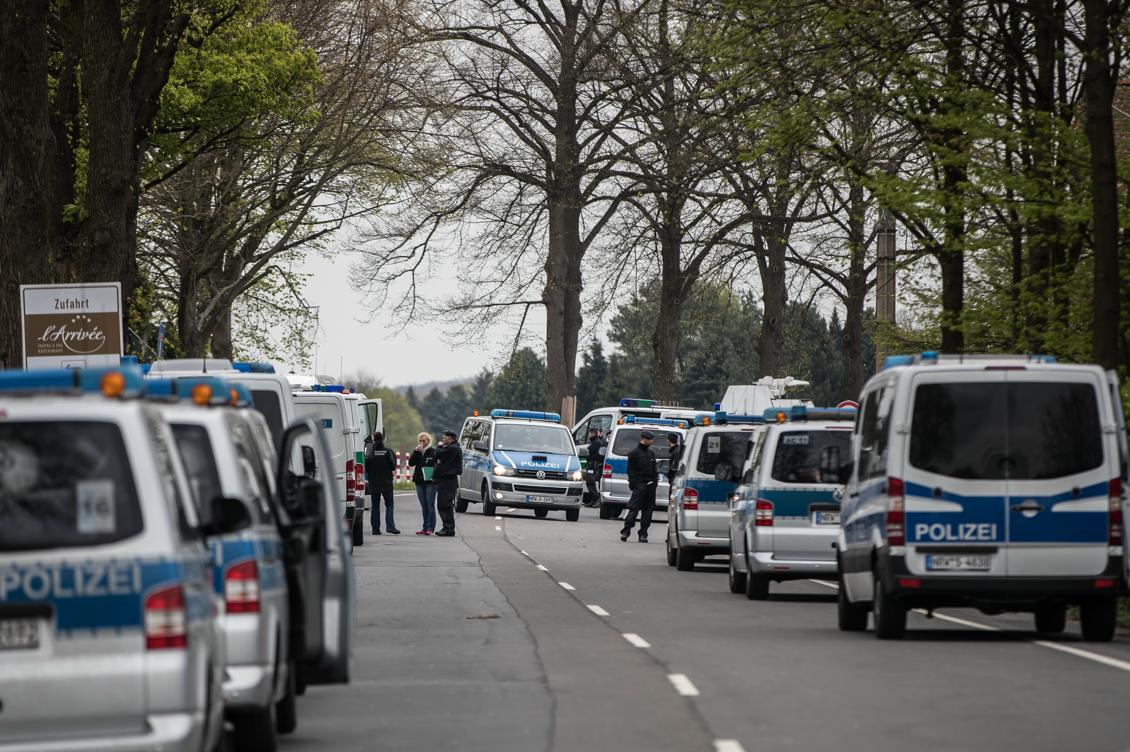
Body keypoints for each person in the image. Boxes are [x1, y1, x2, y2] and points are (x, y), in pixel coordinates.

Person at [620, 430, 659, 543]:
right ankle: (626, 531)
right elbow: (630, 471)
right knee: (633, 510)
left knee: (648, 512)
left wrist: (655, 483)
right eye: (650, 439)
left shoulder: (651, 453)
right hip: (640, 485)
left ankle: (643, 533)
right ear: (644, 439)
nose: (651, 442)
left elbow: (654, 471)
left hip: (650, 487)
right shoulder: (634, 453)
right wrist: (636, 484)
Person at [364, 432, 399, 535]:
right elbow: (393, 466)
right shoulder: (387, 451)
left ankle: (375, 529)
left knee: (375, 506)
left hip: (374, 483)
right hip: (386, 483)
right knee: (389, 505)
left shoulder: (370, 452)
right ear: (383, 439)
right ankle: (390, 527)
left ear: (373, 440)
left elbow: (366, 468)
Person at [433, 430, 463, 537]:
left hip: (448, 480)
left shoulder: (453, 448)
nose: (442, 440)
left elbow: (437, 454)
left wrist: (439, 447)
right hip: (444, 479)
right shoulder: (450, 448)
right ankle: (447, 527)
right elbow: (436, 458)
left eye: (444, 438)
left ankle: (448, 528)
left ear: (450, 439)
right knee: (443, 504)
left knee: (445, 504)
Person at [408, 432, 438, 535]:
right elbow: (411, 463)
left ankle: (430, 527)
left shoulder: (433, 452)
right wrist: (415, 451)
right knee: (424, 506)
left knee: (430, 505)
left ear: (428, 441)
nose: (422, 443)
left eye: (424, 441)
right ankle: (424, 527)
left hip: (430, 482)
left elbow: (437, 465)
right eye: (420, 441)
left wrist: (433, 473)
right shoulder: (418, 452)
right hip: (419, 481)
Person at [583, 427, 605, 507]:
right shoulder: (594, 442)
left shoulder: (596, 443)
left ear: (593, 433)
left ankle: (596, 499)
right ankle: (593, 500)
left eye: (590, 433)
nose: (588, 434)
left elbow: (591, 453)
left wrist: (589, 457)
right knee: (590, 483)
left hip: (593, 465)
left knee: (590, 482)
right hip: (591, 464)